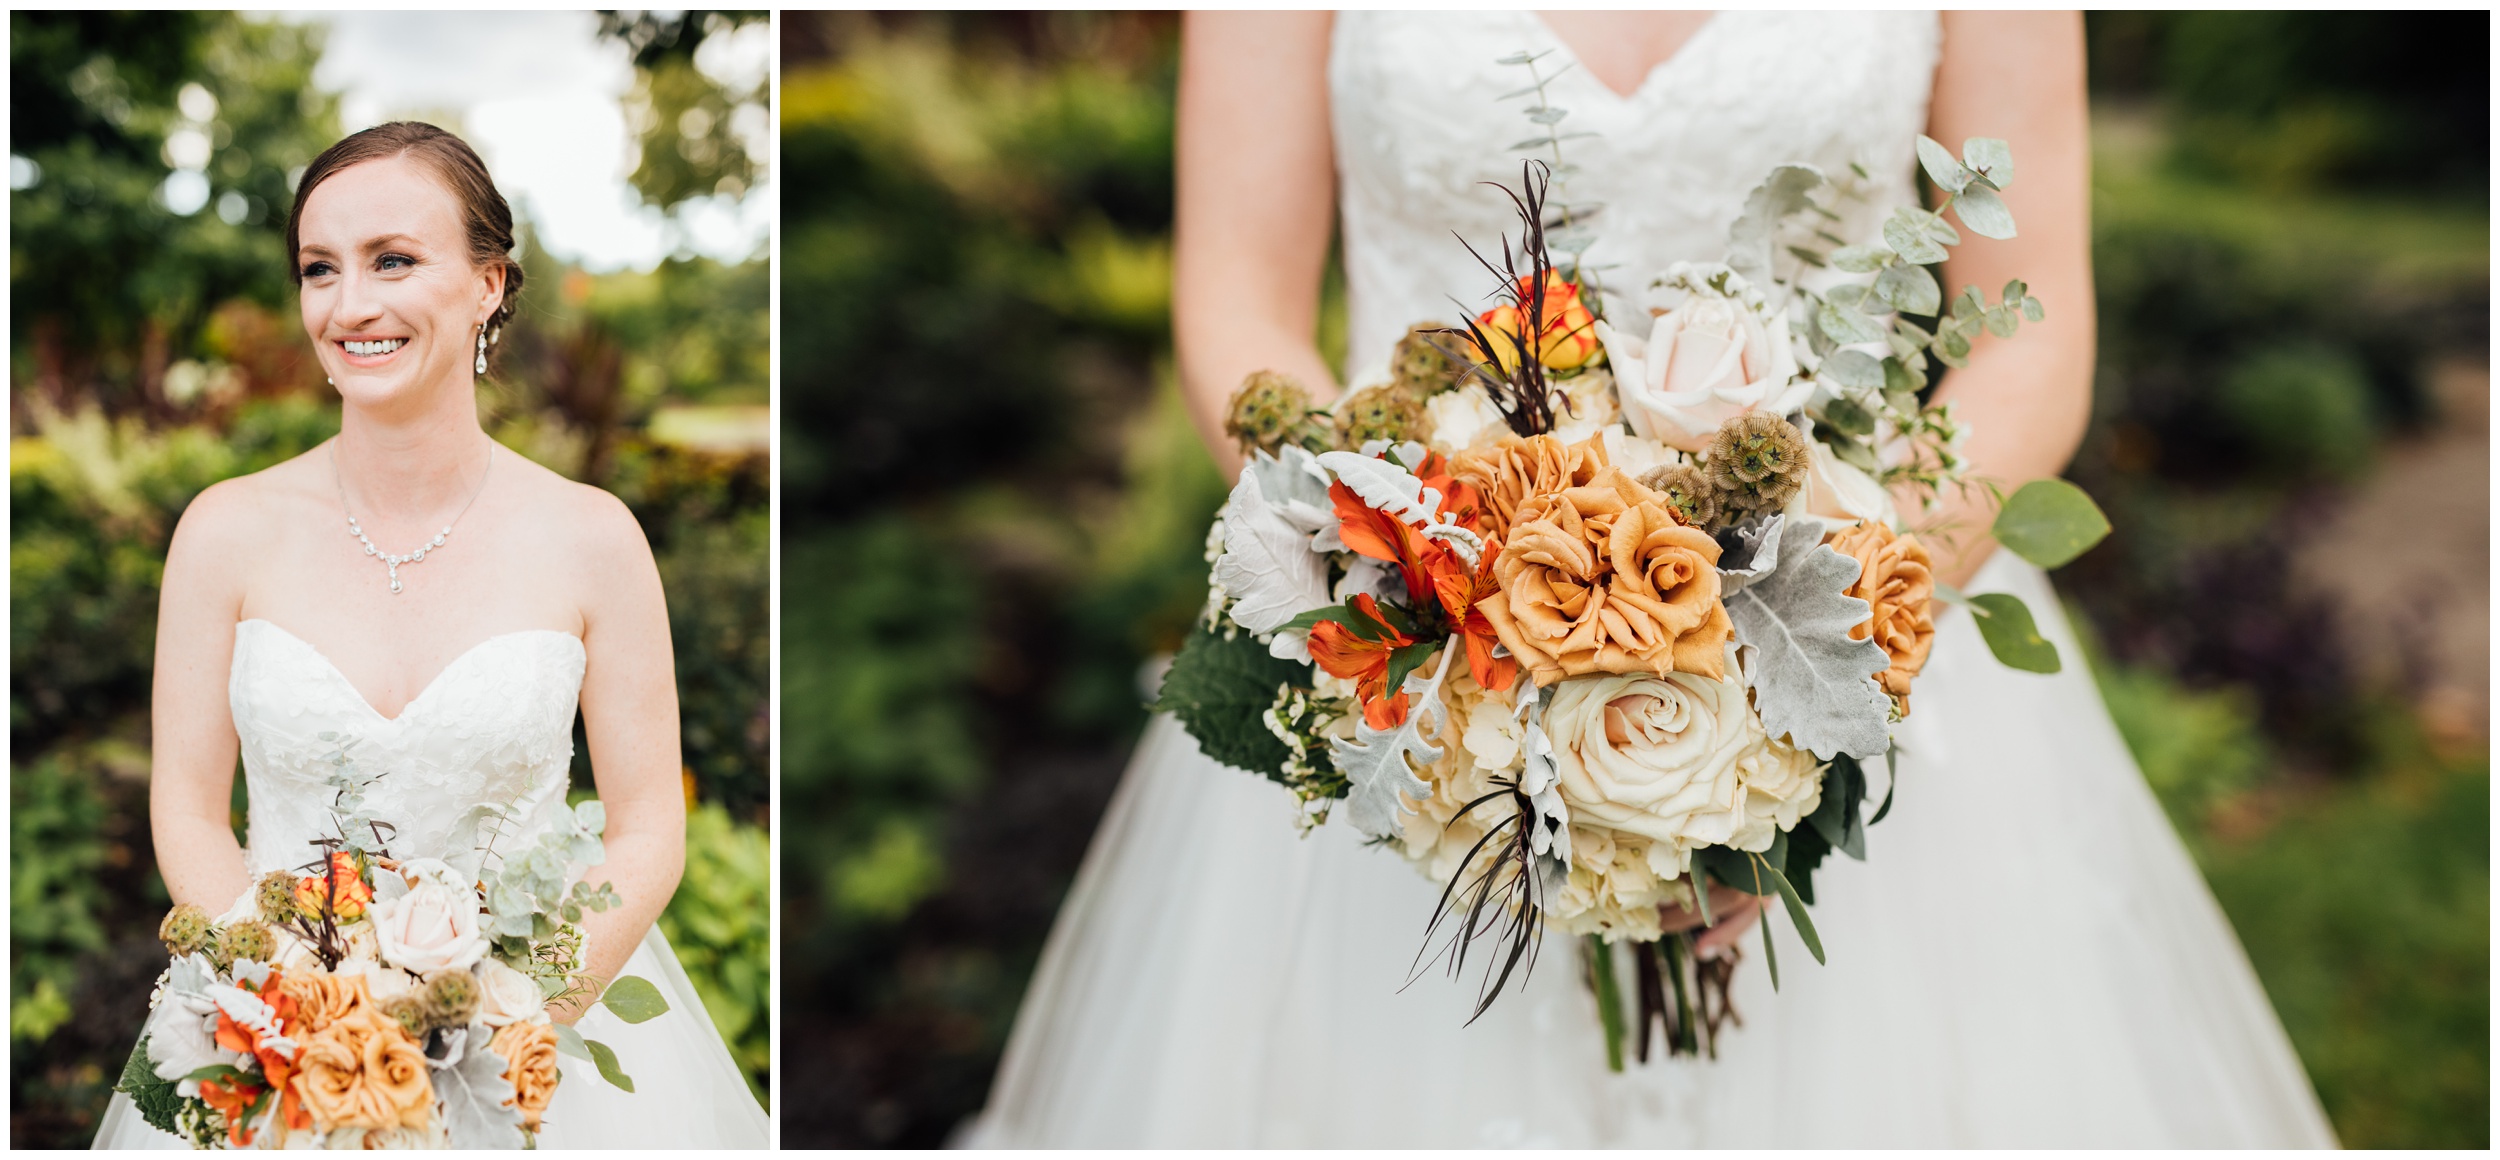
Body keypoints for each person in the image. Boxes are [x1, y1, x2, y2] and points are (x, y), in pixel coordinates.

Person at [966, 12, 2337, 1147]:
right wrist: (1427, 602)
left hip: (1874, 653)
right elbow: (1240, 304)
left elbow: (2035, 329)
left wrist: (1785, 664)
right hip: (1424, 659)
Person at [93, 122, 768, 1149]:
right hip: (284, 1052)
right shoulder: (224, 532)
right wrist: (301, 1004)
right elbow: (187, 803)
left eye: (394, 260)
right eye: (320, 269)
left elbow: (644, 825)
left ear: (489, 283)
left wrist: (514, 1014)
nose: (349, 304)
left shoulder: (594, 539)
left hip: (536, 1063)